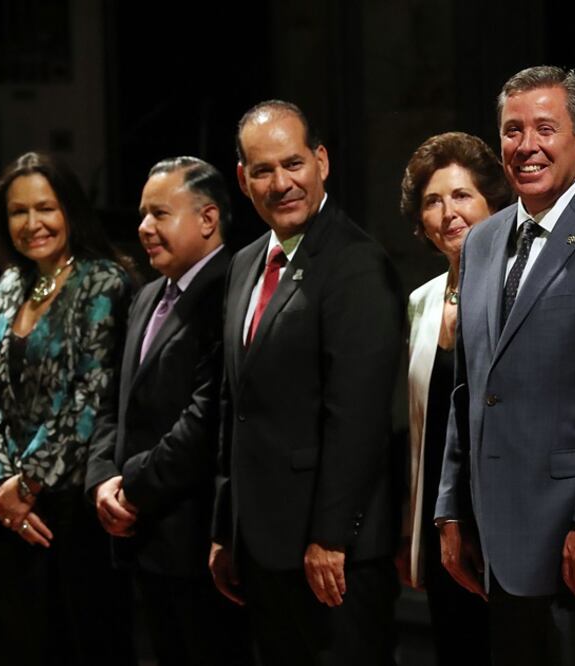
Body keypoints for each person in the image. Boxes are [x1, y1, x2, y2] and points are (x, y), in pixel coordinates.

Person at [434, 65, 575, 665]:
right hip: (492, 540)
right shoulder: (480, 241)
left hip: (573, 549)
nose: (526, 146)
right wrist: (451, 506)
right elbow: (468, 389)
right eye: (512, 130)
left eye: (545, 128)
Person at [210, 100, 402, 665]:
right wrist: (228, 526)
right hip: (262, 545)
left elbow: (360, 418)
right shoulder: (245, 264)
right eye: (263, 170)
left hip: (331, 553)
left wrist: (332, 537)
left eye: (293, 163)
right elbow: (234, 403)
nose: (281, 183)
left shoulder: (357, 263)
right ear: (243, 180)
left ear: (321, 161)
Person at [85, 156, 251, 665]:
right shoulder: (149, 293)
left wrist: (131, 488)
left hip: (195, 540)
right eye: (142, 214)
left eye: (159, 213)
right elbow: (117, 397)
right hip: (141, 538)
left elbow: (205, 418)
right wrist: (101, 477)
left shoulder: (230, 287)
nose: (143, 228)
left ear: (208, 219)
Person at [0, 151, 134, 665]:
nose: (33, 224)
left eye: (45, 208)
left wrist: (27, 483)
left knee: (82, 641)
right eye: (18, 212)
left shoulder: (104, 282)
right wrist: (0, 485)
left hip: (71, 504)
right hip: (6, 509)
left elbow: (90, 396)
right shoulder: (10, 285)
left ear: (70, 210)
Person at [396, 131, 511, 664]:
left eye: (462, 196)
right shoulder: (420, 301)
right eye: (433, 201)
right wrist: (413, 528)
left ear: (493, 202)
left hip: (502, 520)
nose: (448, 213)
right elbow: (420, 428)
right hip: (442, 526)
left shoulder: (518, 292)